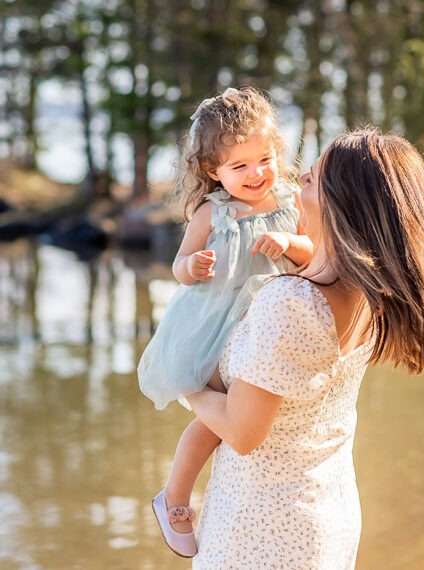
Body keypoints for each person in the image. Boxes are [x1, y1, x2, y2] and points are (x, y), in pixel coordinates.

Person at [185, 127, 424, 569]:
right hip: (324, 514)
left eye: (308, 180)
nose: (294, 188)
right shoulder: (367, 293)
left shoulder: (290, 300)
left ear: (340, 202)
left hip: (261, 532)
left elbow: (241, 431)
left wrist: (183, 381)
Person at [137, 87, 313, 557]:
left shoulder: (292, 201)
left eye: (264, 159)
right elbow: (179, 265)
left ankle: (187, 495)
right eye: (239, 166)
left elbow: (314, 253)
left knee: (240, 414)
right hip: (214, 326)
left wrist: (289, 243)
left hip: (266, 325)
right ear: (214, 171)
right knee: (217, 416)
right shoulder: (211, 213)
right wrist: (191, 268)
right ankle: (174, 497)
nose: (256, 174)